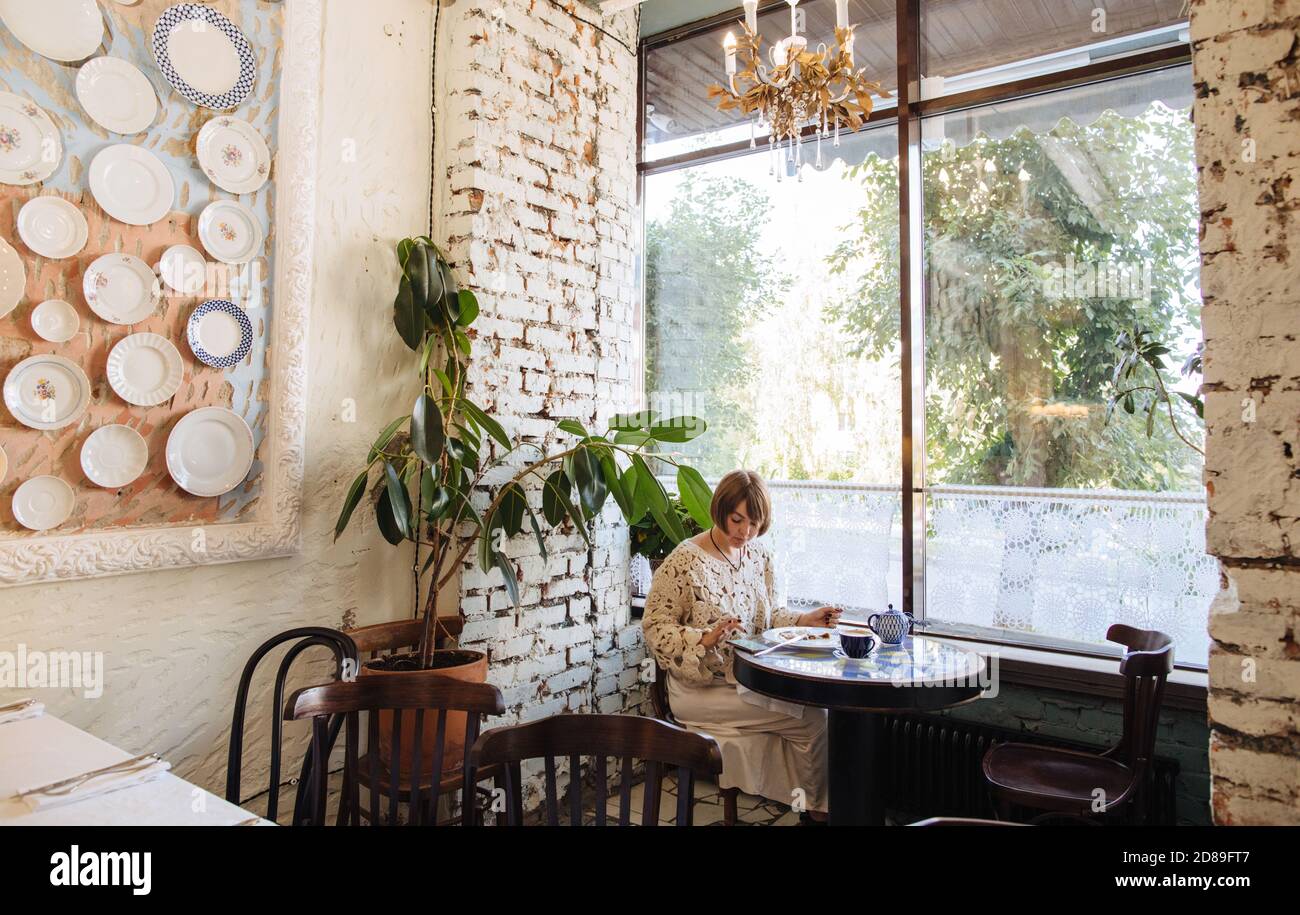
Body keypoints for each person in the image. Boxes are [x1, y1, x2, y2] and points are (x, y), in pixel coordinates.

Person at [642, 469, 841, 823]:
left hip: (746, 682)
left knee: (817, 709)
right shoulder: (685, 561)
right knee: (813, 718)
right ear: (721, 509)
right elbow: (655, 628)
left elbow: (771, 615)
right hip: (701, 690)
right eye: (737, 520)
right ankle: (819, 812)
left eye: (754, 523)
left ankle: (811, 806)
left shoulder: (759, 557)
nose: (744, 532)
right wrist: (702, 639)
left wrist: (804, 619)